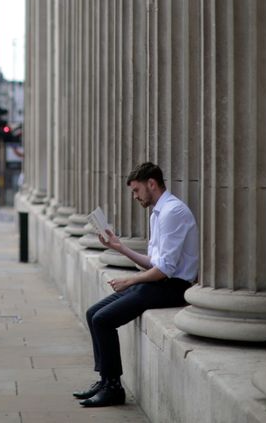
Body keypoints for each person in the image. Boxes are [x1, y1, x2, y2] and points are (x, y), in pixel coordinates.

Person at [75, 162, 199, 408]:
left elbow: (165, 270)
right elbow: (153, 263)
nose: (135, 197)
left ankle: (113, 388)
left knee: (103, 320)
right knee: (92, 314)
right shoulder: (158, 213)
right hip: (158, 284)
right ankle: (105, 380)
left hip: (174, 287)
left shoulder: (172, 212)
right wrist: (118, 247)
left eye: (136, 190)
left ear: (151, 184)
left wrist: (129, 280)